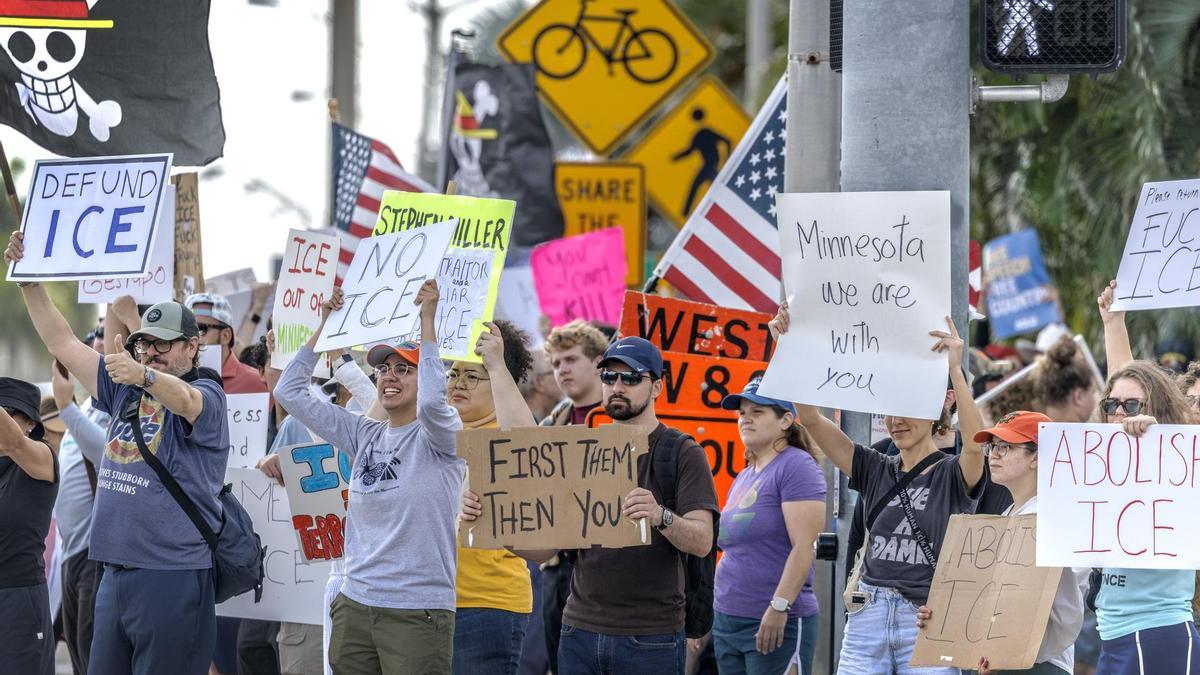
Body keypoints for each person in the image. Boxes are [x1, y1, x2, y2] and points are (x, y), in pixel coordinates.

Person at [9, 231, 230, 675]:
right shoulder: (126, 388)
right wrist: (29, 281)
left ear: (192, 347)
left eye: (163, 344)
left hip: (171, 575)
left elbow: (186, 402)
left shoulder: (208, 392)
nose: (151, 353)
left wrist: (143, 375)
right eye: (146, 343)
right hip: (113, 571)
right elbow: (63, 344)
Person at [466, 334, 720, 675]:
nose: (617, 386)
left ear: (657, 388)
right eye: (609, 377)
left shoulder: (681, 452)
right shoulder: (584, 451)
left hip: (650, 638)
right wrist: (495, 523)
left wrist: (660, 516)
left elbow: (703, 541)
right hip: (578, 631)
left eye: (631, 378)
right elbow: (547, 548)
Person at [770, 302, 985, 675]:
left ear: (935, 409)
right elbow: (810, 420)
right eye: (889, 410)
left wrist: (954, 369)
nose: (895, 421)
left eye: (907, 409)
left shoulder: (952, 473)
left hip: (924, 620)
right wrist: (789, 348)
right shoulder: (873, 466)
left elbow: (976, 444)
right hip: (867, 613)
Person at [274, 281, 464, 674]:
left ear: (425, 374)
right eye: (382, 369)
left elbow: (431, 400)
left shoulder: (442, 435)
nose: (388, 377)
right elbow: (288, 392)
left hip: (416, 611)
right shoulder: (364, 433)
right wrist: (325, 326)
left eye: (402, 368)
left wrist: (428, 321)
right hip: (355, 604)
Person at [916, 411, 1089, 674]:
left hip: (1037, 664)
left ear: (1037, 457)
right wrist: (943, 617)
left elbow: (1058, 608)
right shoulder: (1013, 514)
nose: (994, 454)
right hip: (1001, 660)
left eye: (1006, 447)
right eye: (992, 446)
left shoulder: (1051, 519)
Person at [258, 337, 380, 675]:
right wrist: (269, 466)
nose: (386, 384)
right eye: (381, 374)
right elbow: (268, 498)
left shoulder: (398, 431)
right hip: (312, 591)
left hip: (378, 594)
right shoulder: (299, 425)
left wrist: (345, 365)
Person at [1089, 361, 1200, 674]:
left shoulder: (1181, 463)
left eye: (1132, 404)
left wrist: (1159, 438)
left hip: (1156, 632)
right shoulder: (1097, 468)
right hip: (1112, 634)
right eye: (1112, 404)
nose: (1120, 413)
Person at [711, 378, 825, 675]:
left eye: (757, 411)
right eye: (742, 412)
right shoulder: (746, 474)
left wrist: (779, 606)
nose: (745, 418)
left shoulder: (796, 466)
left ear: (786, 420)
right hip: (727, 619)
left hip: (774, 621)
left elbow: (804, 547)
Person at [447, 319, 536, 675]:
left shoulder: (505, 431)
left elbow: (529, 446)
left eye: (472, 376)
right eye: (453, 372)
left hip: (485, 605)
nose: (457, 383)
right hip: (427, 602)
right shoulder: (437, 430)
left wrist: (497, 365)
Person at [538, 319, 609, 673]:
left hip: (609, 565)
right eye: (555, 364)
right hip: (558, 564)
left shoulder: (621, 417)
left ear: (599, 361)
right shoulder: (553, 423)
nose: (562, 369)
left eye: (570, 359)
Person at [52, 358, 110, 675]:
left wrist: (66, 407)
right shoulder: (86, 409)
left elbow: (106, 451)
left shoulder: (113, 411)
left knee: (93, 655)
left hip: (94, 555)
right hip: (71, 556)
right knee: (78, 654)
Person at [0, 377, 58, 675]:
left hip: (18, 599)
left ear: (30, 424)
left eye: (7, 411)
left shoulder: (41, 458)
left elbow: (12, 441)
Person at [186, 291, 269, 394]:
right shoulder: (174, 380)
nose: (192, 338)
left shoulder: (258, 383)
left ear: (226, 336)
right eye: (186, 329)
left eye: (201, 329)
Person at [1037, 336, 1098, 424]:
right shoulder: (1092, 436)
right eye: (1093, 392)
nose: (1095, 398)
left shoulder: (1033, 434)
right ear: (1079, 397)